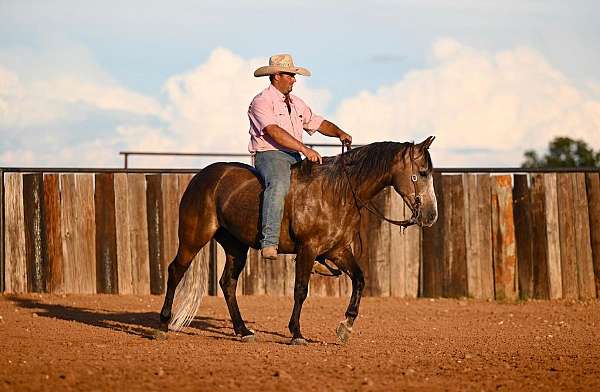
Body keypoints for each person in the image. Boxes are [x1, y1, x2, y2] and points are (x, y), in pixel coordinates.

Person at [248, 53, 352, 260]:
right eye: (290, 75)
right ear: (277, 76)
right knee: (278, 184)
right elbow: (273, 131)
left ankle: (313, 246)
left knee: (320, 187)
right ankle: (269, 241)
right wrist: (305, 150)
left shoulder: (296, 103)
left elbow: (316, 122)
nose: (294, 79)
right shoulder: (261, 102)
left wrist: (339, 132)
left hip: (294, 155)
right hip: (270, 155)